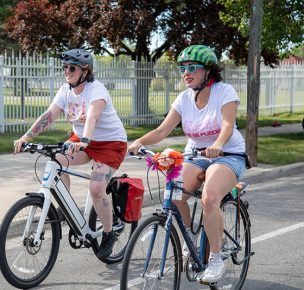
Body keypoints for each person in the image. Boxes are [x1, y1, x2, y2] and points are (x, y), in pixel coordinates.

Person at [128, 45, 247, 283]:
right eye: (183, 68)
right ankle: (189, 241)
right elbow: (163, 130)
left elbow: (227, 126)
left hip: (228, 154)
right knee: (173, 194)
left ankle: (215, 258)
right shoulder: (184, 98)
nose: (186, 73)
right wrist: (139, 141)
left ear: (208, 72)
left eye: (192, 68)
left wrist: (218, 144)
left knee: (209, 198)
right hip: (195, 155)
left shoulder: (224, 92)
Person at [14, 48, 128, 259]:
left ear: (85, 71)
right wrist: (25, 139)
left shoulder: (96, 90)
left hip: (110, 143)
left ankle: (110, 232)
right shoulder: (65, 90)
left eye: (72, 67)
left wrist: (85, 140)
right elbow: (49, 115)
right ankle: (66, 208)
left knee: (96, 188)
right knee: (55, 160)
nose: (67, 71)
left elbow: (92, 117)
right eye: (64, 67)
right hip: (82, 140)